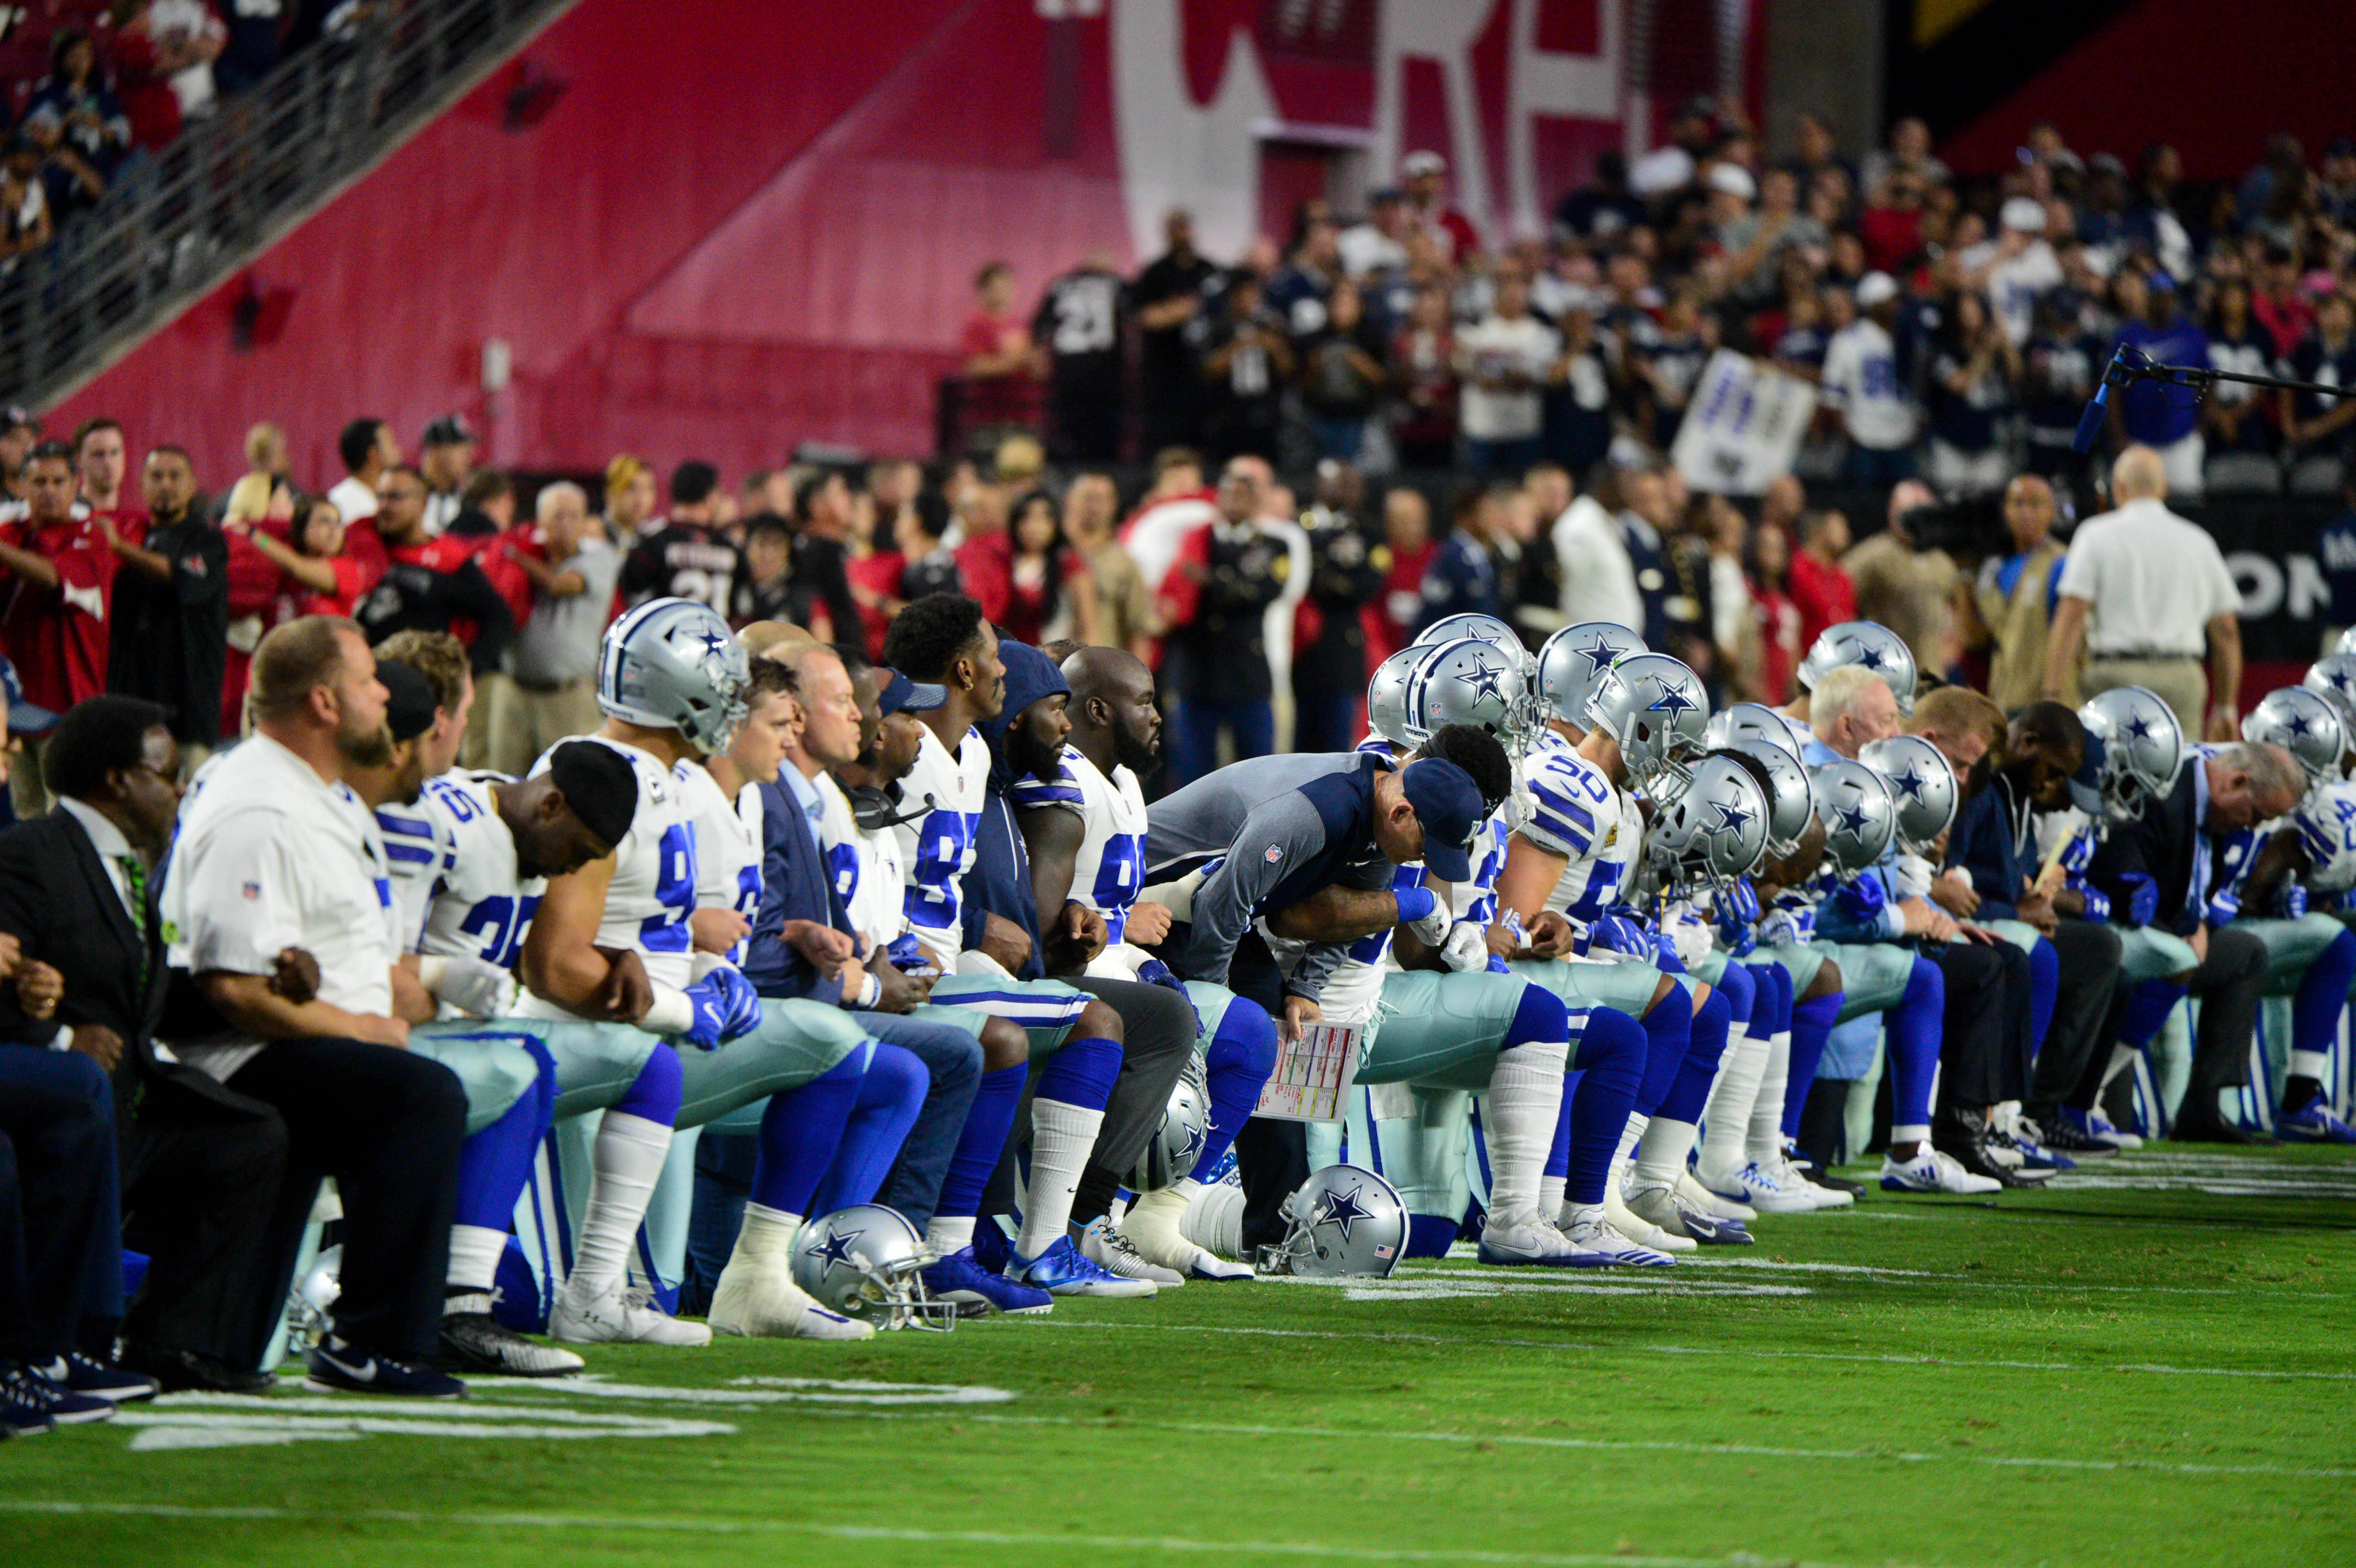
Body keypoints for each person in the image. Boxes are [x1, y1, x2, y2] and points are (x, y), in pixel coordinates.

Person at [157, 616, 471, 1397]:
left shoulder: (312, 796)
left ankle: (220, 1346)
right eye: (370, 682)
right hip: (224, 1054)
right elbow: (227, 986)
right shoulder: (259, 808)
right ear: (327, 704)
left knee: (389, 1093)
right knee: (420, 1098)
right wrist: (360, 1029)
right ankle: (376, 1340)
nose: (385, 697)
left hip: (281, 1042)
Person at [0, 697, 280, 1396]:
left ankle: (171, 1341)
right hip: (68, 1101)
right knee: (83, 1108)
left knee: (251, 1136)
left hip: (132, 1094)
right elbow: (11, 989)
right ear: (117, 780)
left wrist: (258, 984)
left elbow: (135, 994)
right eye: (167, 774)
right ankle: (70, 1342)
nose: (180, 790)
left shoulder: (127, 866)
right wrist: (58, 1036)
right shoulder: (31, 854)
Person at [876, 597, 1155, 1297]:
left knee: (1084, 1019)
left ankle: (1020, 1243)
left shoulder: (970, 752)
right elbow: (867, 864)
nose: (1007, 669)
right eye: (995, 656)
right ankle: (981, 1247)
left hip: (950, 960)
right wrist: (970, 931)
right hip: (901, 961)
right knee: (1088, 1022)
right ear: (965, 669)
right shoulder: (900, 749)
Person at [2084, 736, 2300, 1144]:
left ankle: (2204, 1107)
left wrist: (2201, 922)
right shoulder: (2164, 790)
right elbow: (2128, 884)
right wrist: (2187, 926)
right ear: (2236, 782)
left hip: (2169, 931)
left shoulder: (2213, 809)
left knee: (2245, 954)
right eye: (2256, 815)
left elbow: (2197, 890)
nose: (2253, 827)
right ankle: (2079, 1097)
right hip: (2111, 925)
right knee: (2175, 957)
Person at [2045, 445, 2242, 741]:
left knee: (2110, 776)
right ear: (2165, 488)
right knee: (2178, 777)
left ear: (2119, 488)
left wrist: (2052, 693)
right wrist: (2226, 707)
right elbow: (2226, 631)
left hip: (2114, 679)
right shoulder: (2198, 541)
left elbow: (2071, 616)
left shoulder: (2095, 534)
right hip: (2181, 679)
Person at [0, 443, 118, 818]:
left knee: (67, 823)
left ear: (76, 485)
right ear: (21, 487)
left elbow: (52, 577)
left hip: (70, 712)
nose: (48, 490)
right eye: (38, 481)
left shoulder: (91, 538)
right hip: (16, 714)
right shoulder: (10, 535)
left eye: (57, 481)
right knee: (27, 821)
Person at [1160, 456, 1287, 785]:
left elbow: (1263, 591)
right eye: (1229, 493)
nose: (1234, 501)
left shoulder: (1274, 545)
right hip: (1197, 671)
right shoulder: (1196, 540)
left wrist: (1211, 579)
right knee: (1193, 773)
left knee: (1258, 772)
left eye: (1243, 495)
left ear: (1256, 502)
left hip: (1247, 674)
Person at [103, 444, 227, 766]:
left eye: (175, 476)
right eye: (156, 476)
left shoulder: (208, 541)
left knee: (192, 808)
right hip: (134, 707)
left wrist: (119, 548)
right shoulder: (135, 535)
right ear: (142, 485)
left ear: (191, 485)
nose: (166, 485)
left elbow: (178, 576)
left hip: (189, 711)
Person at [485, 481, 618, 776]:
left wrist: (513, 556)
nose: (567, 524)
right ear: (541, 522)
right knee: (504, 783)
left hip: (570, 696)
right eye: (558, 516)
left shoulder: (600, 558)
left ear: (586, 520)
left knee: (572, 787)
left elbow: (560, 584)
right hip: (515, 692)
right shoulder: (524, 556)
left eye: (575, 516)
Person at [354, 467, 516, 677]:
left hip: (421, 686)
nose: (384, 506)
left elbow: (499, 615)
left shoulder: (449, 556)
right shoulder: (364, 544)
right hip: (367, 677)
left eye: (395, 497)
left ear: (423, 504)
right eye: (380, 497)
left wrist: (467, 670)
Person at [1291, 463, 1383, 755]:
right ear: (1320, 485)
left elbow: (1369, 584)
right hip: (1299, 650)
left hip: (1342, 650)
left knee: (1336, 747)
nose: (1347, 491)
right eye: (1338, 483)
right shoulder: (1295, 527)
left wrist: (1323, 579)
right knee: (1296, 745)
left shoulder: (1368, 531)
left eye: (1352, 484)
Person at [1960, 474, 2069, 712]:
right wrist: (1963, 581)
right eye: (2018, 504)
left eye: (2035, 504)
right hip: (2005, 699)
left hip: (2046, 701)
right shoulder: (1997, 569)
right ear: (2006, 510)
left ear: (2051, 511)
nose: (2026, 513)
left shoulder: (2062, 564)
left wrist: (2053, 693)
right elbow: (1978, 639)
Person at [1840, 480, 1957, 680]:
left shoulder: (1943, 562)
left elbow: (1957, 610)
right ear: (1891, 512)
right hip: (1887, 676)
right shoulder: (1871, 557)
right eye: (1906, 513)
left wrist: (1952, 646)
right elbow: (1834, 599)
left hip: (1933, 677)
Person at [1132, 210, 1221, 452]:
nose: (1182, 234)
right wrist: (1186, 310)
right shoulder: (1156, 272)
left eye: (1185, 227)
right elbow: (1146, 317)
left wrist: (1178, 311)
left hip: (1203, 370)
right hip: (1165, 372)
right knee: (1165, 438)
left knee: (1202, 439)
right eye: (1176, 228)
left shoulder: (1209, 270)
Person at [1822, 273, 1918, 489]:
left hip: (1903, 437)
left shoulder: (1909, 336)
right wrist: (1851, 437)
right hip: (1863, 440)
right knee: (1863, 511)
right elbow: (1832, 398)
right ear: (1873, 305)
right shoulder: (1847, 339)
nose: (1896, 305)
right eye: (1889, 301)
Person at [1454, 274, 1558, 475]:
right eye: (1509, 296)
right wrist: (1479, 375)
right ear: (1497, 299)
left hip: (1523, 426)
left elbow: (1546, 374)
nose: (1515, 302)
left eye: (1520, 297)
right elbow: (1460, 366)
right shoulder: (1476, 330)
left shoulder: (1541, 333)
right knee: (1478, 490)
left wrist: (1516, 379)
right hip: (1482, 425)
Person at [1033, 250, 1125, 462]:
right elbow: (1041, 324)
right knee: (1077, 430)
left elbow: (1041, 324)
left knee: (1097, 429)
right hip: (1077, 371)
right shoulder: (1110, 283)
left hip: (1098, 371)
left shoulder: (1111, 283)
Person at [621, 461, 740, 618]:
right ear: (710, 496)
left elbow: (631, 598)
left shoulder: (652, 540)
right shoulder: (730, 547)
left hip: (663, 637)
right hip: (718, 638)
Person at [789, 471, 862, 646]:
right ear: (817, 505)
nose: (850, 499)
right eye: (841, 492)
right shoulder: (816, 554)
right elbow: (817, 615)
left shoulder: (837, 550)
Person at [1787, 508, 1858, 656]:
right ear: (1821, 532)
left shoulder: (1843, 577)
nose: (1846, 534)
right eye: (1840, 528)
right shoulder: (1800, 569)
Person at [328, 417, 397, 529]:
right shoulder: (340, 503)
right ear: (374, 454)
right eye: (392, 444)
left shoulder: (378, 498)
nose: (398, 451)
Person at [417, 416, 476, 539]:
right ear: (436, 453)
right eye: (461, 450)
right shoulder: (409, 498)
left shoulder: (473, 501)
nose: (468, 458)